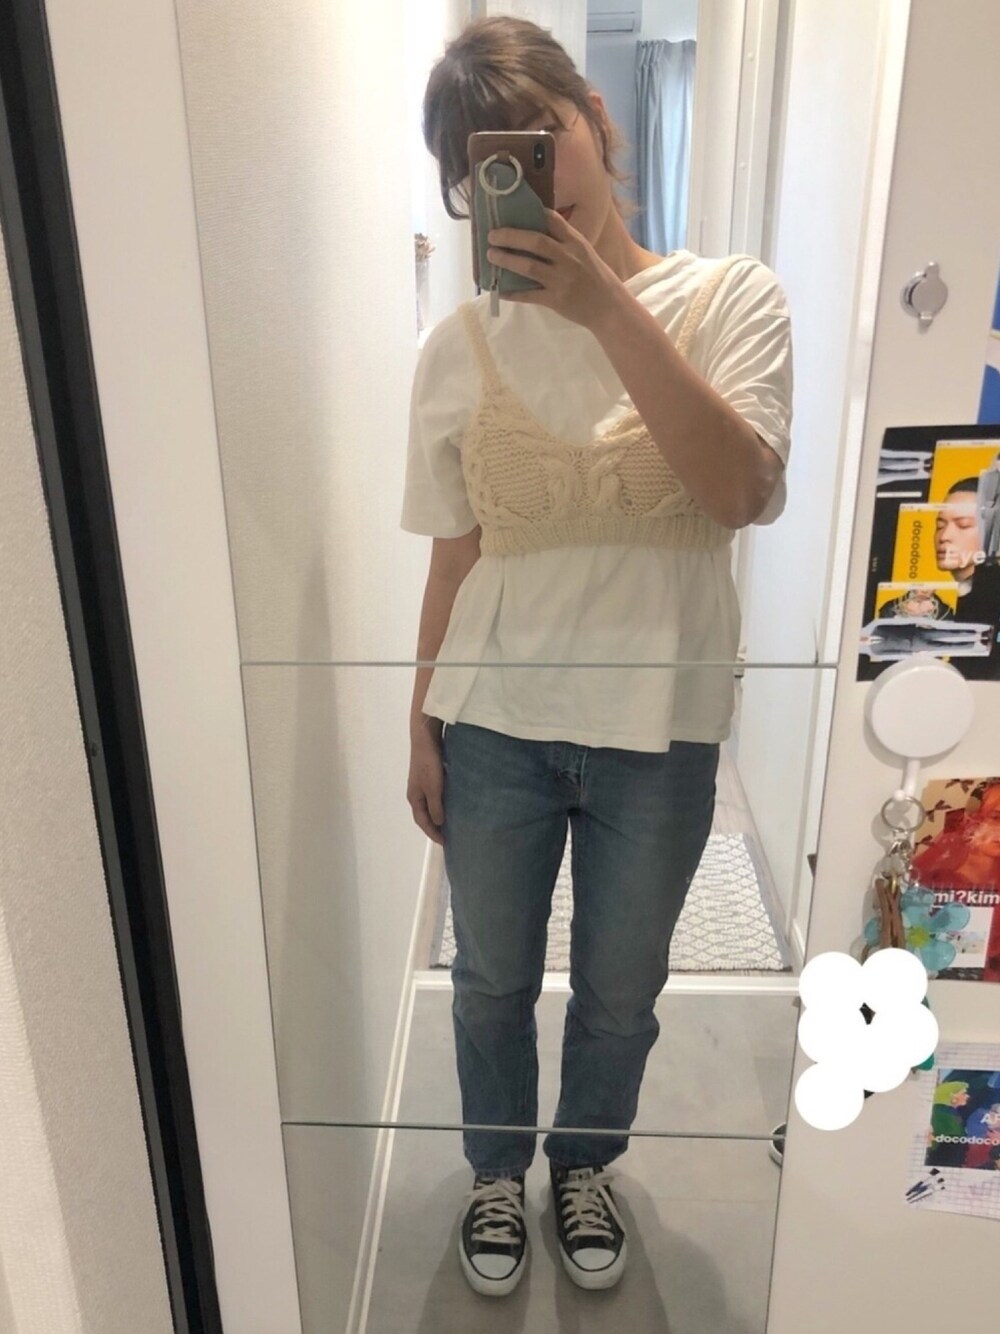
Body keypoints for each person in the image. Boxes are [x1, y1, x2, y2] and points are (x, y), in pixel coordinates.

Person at [400, 16, 792, 1298]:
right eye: (478, 162)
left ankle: (582, 1159)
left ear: (597, 121)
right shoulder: (455, 348)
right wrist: (419, 720)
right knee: (488, 980)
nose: (519, 171)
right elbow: (455, 556)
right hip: (496, 722)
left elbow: (739, 491)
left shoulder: (732, 300)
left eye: (538, 134)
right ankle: (496, 1170)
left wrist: (603, 304)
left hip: (660, 731)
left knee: (621, 988)